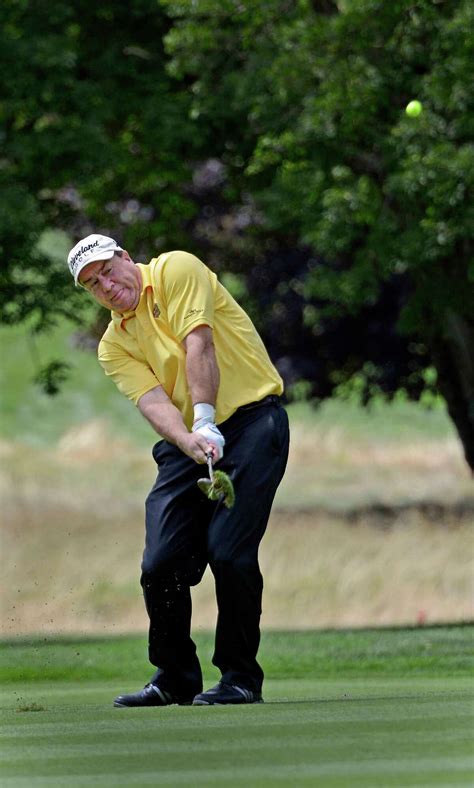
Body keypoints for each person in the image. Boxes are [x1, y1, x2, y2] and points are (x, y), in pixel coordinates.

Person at [67, 233, 290, 707]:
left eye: (107, 270)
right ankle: (175, 675)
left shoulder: (176, 269)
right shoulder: (113, 344)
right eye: (92, 283)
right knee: (160, 563)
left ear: (126, 258)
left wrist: (206, 419)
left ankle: (240, 676)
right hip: (186, 441)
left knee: (229, 554)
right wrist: (190, 439)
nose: (105, 285)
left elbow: (199, 345)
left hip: (252, 423)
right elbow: (152, 401)